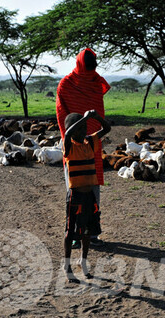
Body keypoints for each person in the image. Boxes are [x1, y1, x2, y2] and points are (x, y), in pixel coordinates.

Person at [56, 48, 111, 247]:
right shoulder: (67, 84)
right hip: (76, 144)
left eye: (92, 66)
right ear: (81, 64)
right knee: (75, 192)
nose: (90, 70)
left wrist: (91, 125)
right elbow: (63, 117)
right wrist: (75, 137)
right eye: (88, 66)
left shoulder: (96, 83)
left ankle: (92, 233)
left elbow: (100, 117)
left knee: (91, 189)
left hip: (90, 145)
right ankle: (75, 234)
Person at [63, 110, 111, 283]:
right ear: (72, 129)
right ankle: (67, 265)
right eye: (81, 128)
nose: (84, 131)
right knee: (70, 232)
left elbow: (107, 128)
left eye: (85, 127)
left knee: (87, 231)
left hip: (89, 195)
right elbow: (68, 133)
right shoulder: (68, 146)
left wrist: (95, 117)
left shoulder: (90, 142)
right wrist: (84, 118)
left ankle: (83, 261)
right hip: (75, 196)